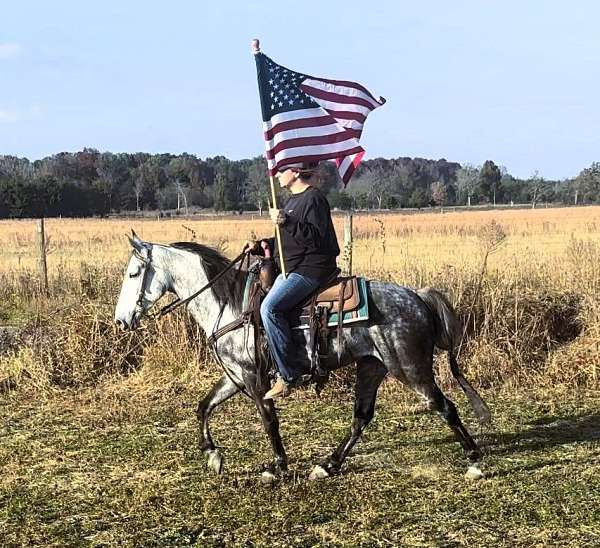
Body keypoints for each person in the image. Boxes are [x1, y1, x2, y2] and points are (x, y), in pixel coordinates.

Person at [244, 161, 340, 399]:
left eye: (281, 170)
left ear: (296, 172)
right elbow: (289, 241)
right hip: (293, 268)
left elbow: (316, 239)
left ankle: (288, 376)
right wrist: (263, 245)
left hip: (310, 270)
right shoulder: (291, 202)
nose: (276, 175)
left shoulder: (314, 199)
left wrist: (287, 221)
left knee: (270, 309)